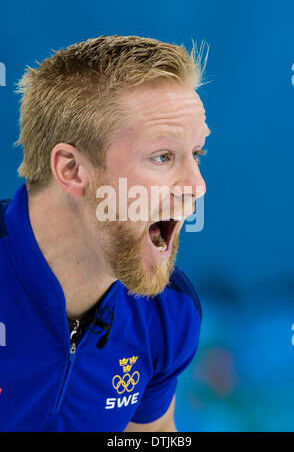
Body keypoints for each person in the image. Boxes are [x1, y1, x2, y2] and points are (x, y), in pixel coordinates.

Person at [0, 35, 210, 432]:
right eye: (163, 156)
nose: (196, 186)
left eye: (196, 154)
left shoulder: (169, 314)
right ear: (72, 170)